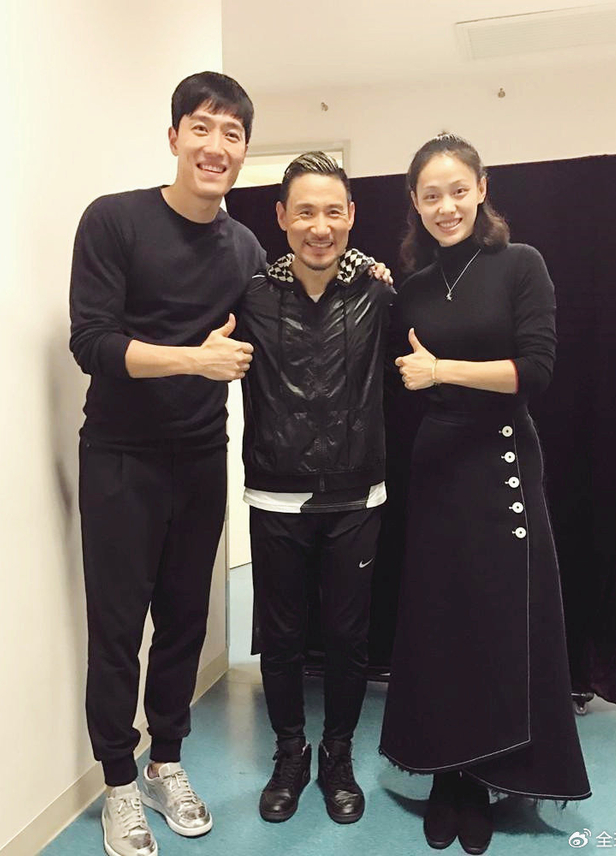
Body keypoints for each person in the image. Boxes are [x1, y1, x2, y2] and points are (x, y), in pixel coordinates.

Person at [69, 71, 264, 856]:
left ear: (243, 150)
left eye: (232, 134)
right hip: (120, 457)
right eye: (202, 128)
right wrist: (193, 360)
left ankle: (165, 764)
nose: (216, 146)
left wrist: (366, 277)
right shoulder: (114, 220)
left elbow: (281, 322)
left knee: (185, 621)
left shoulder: (245, 247)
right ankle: (119, 784)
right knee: (118, 629)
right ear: (175, 136)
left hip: (200, 456)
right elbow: (93, 344)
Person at [379, 134, 591, 855]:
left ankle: (488, 772)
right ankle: (448, 772)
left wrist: (443, 371)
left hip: (501, 459)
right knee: (441, 621)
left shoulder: (520, 264)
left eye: (457, 190)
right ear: (415, 203)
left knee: (501, 617)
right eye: (431, 195)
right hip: (437, 463)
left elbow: (536, 370)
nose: (446, 206)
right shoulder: (410, 287)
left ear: (481, 189)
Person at [236, 152, 394, 825]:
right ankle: (290, 754)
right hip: (275, 495)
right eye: (305, 211)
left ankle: (338, 756)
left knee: (348, 638)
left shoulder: (379, 293)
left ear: (351, 216)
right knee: (281, 638)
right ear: (281, 217)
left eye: (333, 211)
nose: (319, 226)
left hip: (357, 497)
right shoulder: (250, 295)